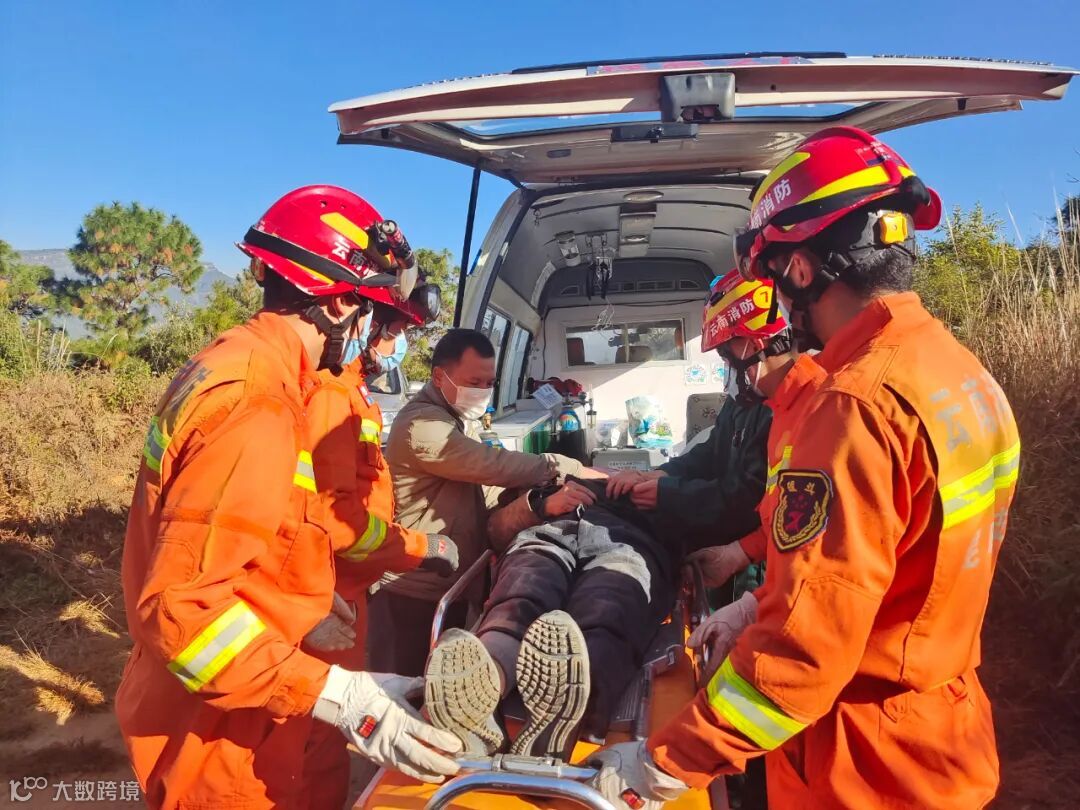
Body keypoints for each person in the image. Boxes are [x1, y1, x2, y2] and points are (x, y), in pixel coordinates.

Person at [588, 126, 1020, 810]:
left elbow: (802, 655)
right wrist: (758, 603)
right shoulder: (959, 373)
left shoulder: (852, 406)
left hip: (862, 760)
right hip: (942, 728)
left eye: (773, 275)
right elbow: (888, 559)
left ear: (799, 268)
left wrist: (659, 765)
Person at [116, 185, 462, 809]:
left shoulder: (243, 366)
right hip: (224, 727)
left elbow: (259, 527)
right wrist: (339, 696)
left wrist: (302, 605)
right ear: (338, 304)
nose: (375, 332)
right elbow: (184, 613)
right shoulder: (258, 400)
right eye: (372, 309)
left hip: (249, 689)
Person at [300, 274, 457, 807]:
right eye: (395, 332)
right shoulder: (332, 396)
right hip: (325, 590)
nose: (398, 346)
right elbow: (336, 517)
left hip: (343, 588)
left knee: (324, 739)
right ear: (363, 324)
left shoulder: (352, 390)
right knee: (311, 738)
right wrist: (418, 548)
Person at [369, 328, 591, 676]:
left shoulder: (458, 421)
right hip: (412, 589)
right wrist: (567, 468)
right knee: (403, 688)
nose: (483, 392)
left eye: (489, 383)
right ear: (439, 377)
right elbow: (493, 466)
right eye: (474, 382)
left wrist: (527, 507)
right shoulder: (422, 426)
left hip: (453, 581)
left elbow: (484, 490)